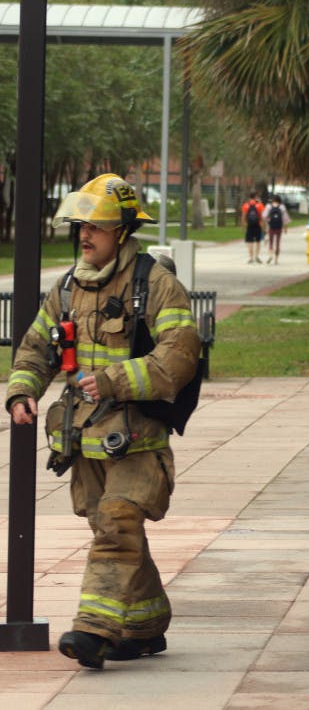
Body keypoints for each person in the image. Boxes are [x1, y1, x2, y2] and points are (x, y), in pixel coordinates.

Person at [5, 174, 201, 668]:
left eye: (94, 227)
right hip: (84, 439)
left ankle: (93, 631)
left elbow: (180, 357)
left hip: (138, 440)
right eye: (80, 227)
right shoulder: (69, 286)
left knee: (116, 526)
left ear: (121, 231)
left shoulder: (156, 285)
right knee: (113, 530)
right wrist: (22, 391)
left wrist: (116, 379)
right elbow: (36, 346)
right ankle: (146, 623)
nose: (84, 236)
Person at [263, 194, 290, 265]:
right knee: (278, 243)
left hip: (271, 227)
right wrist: (285, 228)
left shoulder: (269, 206)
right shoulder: (282, 207)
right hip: (279, 227)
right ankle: (276, 260)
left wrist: (267, 222)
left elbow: (264, 216)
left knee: (271, 242)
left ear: (273, 200)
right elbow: (285, 219)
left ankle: (271, 255)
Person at [241, 191, 265, 264]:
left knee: (250, 242)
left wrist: (243, 225)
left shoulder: (246, 205)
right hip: (258, 225)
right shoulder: (260, 205)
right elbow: (262, 216)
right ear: (256, 197)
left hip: (249, 225)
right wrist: (263, 225)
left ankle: (251, 258)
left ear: (249, 197)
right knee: (258, 242)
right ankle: (257, 256)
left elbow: (243, 216)